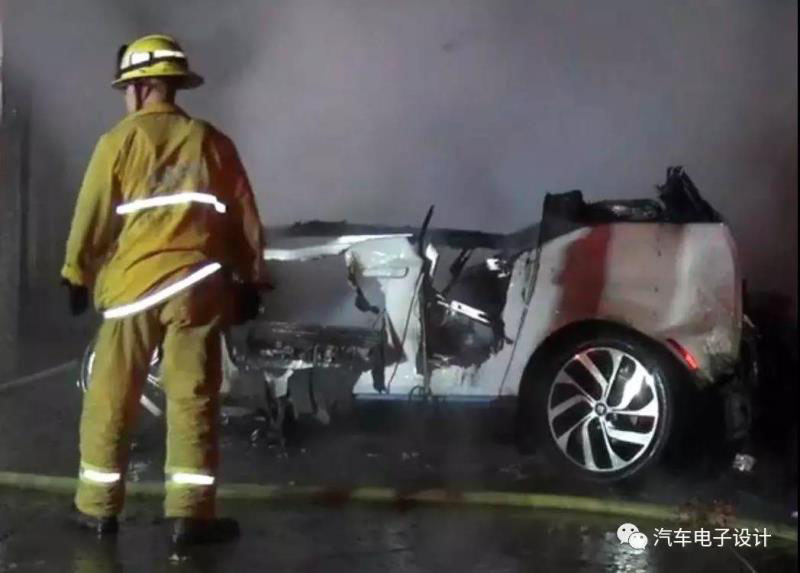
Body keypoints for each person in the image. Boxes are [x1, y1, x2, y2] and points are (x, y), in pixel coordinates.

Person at [60, 34, 266, 546]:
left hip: (132, 290)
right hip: (196, 290)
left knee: (111, 397)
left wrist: (76, 273)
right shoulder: (211, 142)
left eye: (126, 90)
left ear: (140, 87)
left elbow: (91, 216)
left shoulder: (117, 142)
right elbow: (243, 218)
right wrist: (252, 279)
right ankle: (190, 518)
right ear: (174, 86)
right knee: (192, 398)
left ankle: (97, 510)